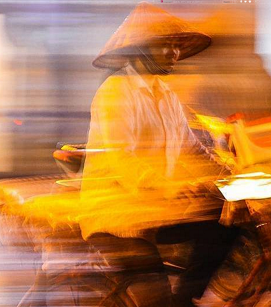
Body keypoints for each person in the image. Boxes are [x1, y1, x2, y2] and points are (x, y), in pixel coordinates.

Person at [80, 2, 237, 307]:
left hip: (156, 207)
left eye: (177, 47)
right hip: (117, 214)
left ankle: (186, 299)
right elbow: (123, 161)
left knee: (225, 227)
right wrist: (175, 187)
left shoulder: (166, 96)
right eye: (167, 46)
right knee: (156, 296)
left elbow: (192, 147)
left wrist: (227, 171)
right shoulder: (115, 93)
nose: (175, 54)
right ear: (141, 49)